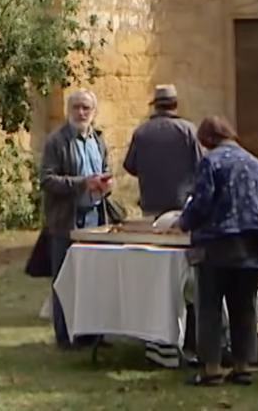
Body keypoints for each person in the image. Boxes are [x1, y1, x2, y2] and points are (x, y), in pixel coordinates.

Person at [177, 115, 258, 387]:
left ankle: (212, 369)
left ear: (206, 140)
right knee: (245, 307)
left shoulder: (211, 161)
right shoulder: (255, 163)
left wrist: (184, 221)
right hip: (252, 240)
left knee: (210, 306)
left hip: (217, 242)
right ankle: (243, 366)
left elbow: (203, 200)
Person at [40, 88, 114, 350]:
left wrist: (106, 183)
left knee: (94, 279)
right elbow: (47, 180)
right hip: (66, 221)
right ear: (68, 110)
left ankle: (93, 335)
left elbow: (105, 171)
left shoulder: (98, 139)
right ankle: (65, 336)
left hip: (96, 218)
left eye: (86, 108)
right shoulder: (56, 141)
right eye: (77, 107)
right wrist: (83, 183)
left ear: (94, 112)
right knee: (65, 279)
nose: (81, 113)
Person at [123, 84, 202, 216]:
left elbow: (130, 166)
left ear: (155, 106)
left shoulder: (141, 131)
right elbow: (200, 164)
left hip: (150, 203)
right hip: (181, 203)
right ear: (175, 104)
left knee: (152, 236)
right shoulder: (188, 130)